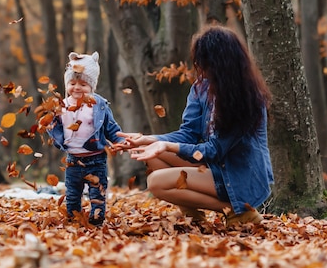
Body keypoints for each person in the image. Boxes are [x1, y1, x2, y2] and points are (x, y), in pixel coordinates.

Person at [117, 25, 273, 227]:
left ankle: (237, 211)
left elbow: (214, 150)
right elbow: (188, 134)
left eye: (205, 63)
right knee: (150, 152)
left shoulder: (246, 99)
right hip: (216, 167)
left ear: (221, 63)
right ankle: (195, 217)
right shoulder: (202, 87)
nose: (201, 68)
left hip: (239, 176)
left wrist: (167, 146)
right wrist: (147, 139)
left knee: (156, 183)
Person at [48, 51, 130, 226]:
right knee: (72, 193)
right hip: (73, 160)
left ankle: (96, 219)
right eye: (72, 83)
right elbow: (55, 126)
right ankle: (74, 217)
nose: (77, 88)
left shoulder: (98, 105)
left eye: (83, 84)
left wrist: (120, 142)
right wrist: (50, 124)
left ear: (92, 86)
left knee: (97, 193)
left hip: (96, 159)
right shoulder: (62, 106)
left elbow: (111, 127)